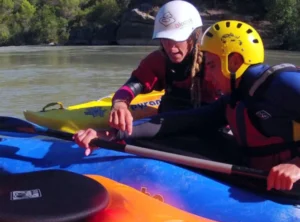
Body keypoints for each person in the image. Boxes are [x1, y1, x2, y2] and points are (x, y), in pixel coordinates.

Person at [74, 20, 300, 192]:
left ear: (234, 62)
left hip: (290, 188)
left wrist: (297, 165)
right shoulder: (233, 100)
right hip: (259, 175)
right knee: (168, 140)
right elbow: (178, 122)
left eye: (211, 65)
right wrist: (112, 135)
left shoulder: (282, 83)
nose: (207, 75)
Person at [109, 0, 217, 135]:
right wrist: (120, 104)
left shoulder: (212, 62)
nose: (170, 47)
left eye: (177, 38)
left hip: (207, 128)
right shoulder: (158, 60)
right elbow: (131, 86)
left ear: (194, 36)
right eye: (165, 38)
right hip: (166, 126)